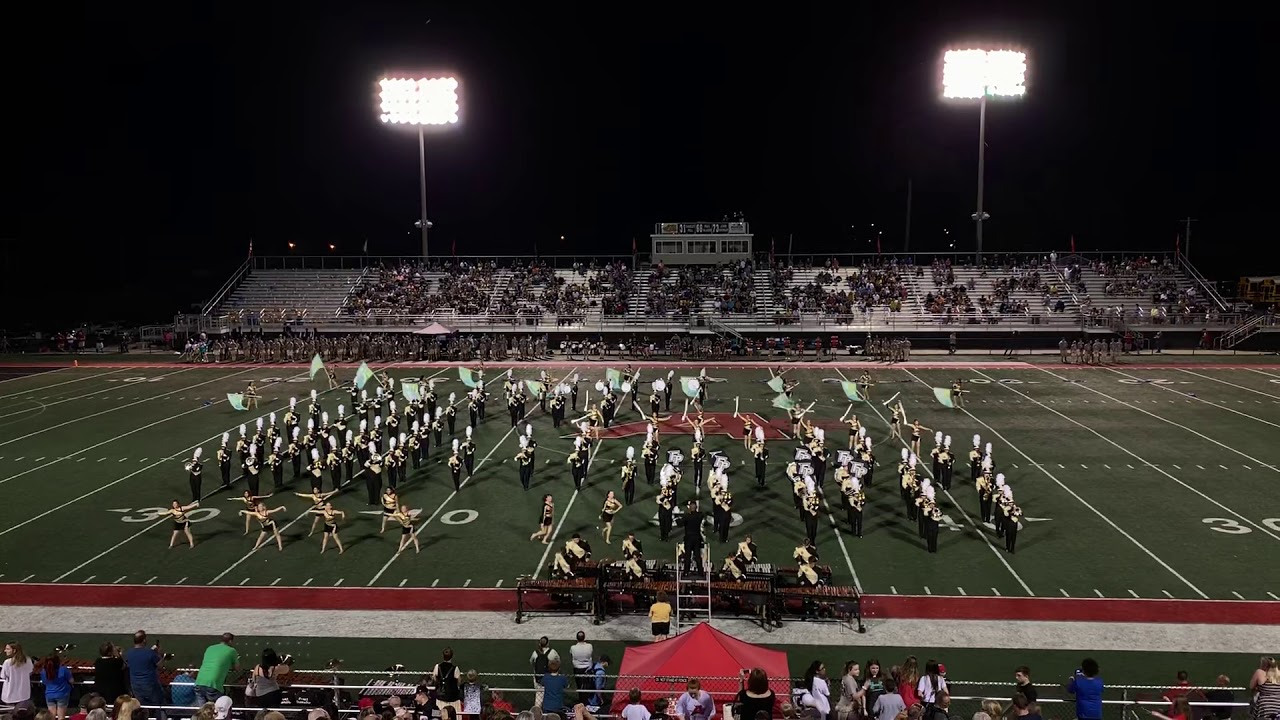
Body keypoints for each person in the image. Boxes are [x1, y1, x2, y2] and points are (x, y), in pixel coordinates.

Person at [193, 633, 240, 705]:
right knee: (217, 708)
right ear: (230, 641)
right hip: (214, 683)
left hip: (199, 681)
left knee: (202, 710)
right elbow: (237, 668)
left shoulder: (210, 648)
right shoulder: (232, 651)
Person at [123, 632, 166, 710]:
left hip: (135, 685)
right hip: (150, 685)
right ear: (144, 640)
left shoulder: (129, 653)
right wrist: (161, 655)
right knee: (158, 707)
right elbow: (160, 666)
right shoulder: (150, 653)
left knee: (142, 708)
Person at [2, 641, 34, 709]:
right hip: (24, 694)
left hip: (10, 694)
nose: (5, 651)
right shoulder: (28, 660)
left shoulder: (7, 662)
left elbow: (3, 676)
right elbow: (30, 672)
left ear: (14, 650)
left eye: (7, 649)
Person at [40, 653, 74, 720]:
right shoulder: (63, 670)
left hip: (49, 695)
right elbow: (71, 681)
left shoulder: (43, 672)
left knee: (51, 717)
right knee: (61, 717)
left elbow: (44, 682)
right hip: (62, 695)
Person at [529, 637, 560, 710]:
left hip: (538, 678)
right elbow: (558, 661)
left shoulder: (535, 653)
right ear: (548, 643)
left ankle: (536, 712)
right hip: (549, 678)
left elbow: (531, 662)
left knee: (539, 696)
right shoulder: (552, 652)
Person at [432, 647, 462, 714]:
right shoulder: (455, 668)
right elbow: (459, 681)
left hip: (440, 698)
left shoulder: (437, 666)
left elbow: (434, 677)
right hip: (453, 698)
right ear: (452, 656)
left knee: (439, 714)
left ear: (442, 656)